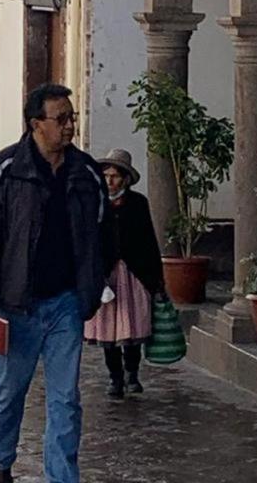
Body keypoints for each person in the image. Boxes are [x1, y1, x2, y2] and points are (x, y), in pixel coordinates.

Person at [0, 84, 113, 483]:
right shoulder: (6, 169)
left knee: (66, 400)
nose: (69, 126)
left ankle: (61, 477)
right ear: (36, 124)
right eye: (61, 119)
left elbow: (104, 232)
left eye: (72, 117)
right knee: (7, 393)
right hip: (15, 304)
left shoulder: (86, 173)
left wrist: (94, 283)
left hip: (66, 303)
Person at [84, 148, 164, 398]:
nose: (110, 181)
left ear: (125, 179)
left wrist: (156, 281)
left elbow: (149, 241)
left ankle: (132, 373)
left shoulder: (138, 203)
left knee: (132, 327)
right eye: (106, 176)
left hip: (133, 272)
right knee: (109, 329)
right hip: (106, 273)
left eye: (115, 176)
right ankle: (115, 377)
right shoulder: (95, 202)